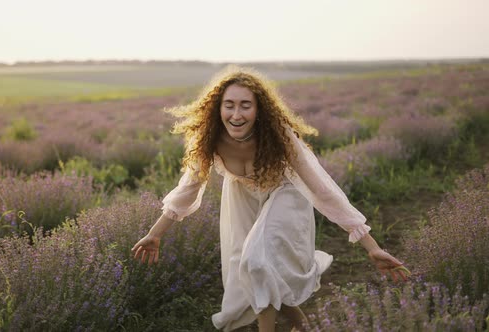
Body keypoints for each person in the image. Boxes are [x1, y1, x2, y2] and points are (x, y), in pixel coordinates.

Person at [131, 66, 408, 332]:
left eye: (245, 105)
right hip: (241, 197)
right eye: (229, 105)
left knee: (257, 260)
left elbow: (323, 190)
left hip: (284, 194)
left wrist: (370, 246)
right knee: (247, 268)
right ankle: (302, 325)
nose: (236, 114)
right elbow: (188, 189)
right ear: (218, 108)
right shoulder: (209, 138)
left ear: (259, 109)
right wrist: (155, 234)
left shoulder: (279, 137)